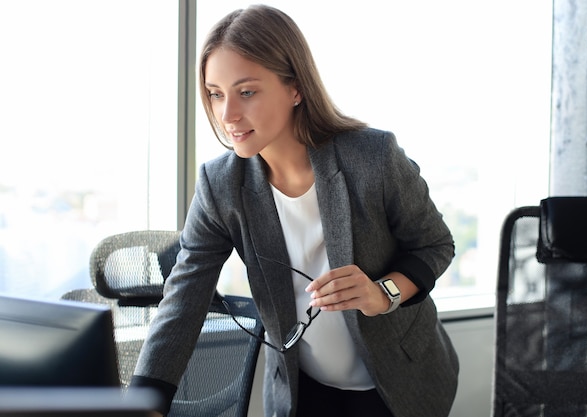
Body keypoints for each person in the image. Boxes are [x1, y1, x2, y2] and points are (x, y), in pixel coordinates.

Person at [131, 4, 459, 417]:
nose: (227, 115)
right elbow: (183, 297)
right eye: (216, 94)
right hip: (303, 390)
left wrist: (383, 293)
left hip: (398, 384)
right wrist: (145, 401)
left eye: (246, 92)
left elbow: (435, 244)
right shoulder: (221, 185)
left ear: (295, 88)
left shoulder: (372, 158)